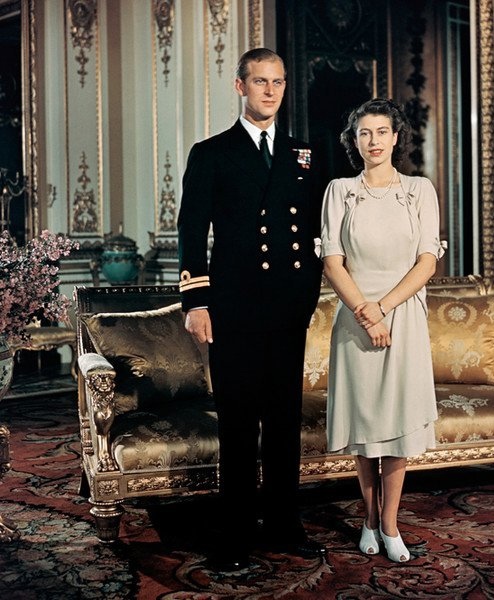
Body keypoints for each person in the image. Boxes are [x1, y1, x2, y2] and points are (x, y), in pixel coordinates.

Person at [177, 48, 325, 570]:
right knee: (239, 425)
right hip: (233, 310)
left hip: (288, 310)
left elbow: (314, 233)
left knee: (285, 422)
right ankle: (235, 533)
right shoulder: (212, 152)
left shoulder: (304, 154)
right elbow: (191, 231)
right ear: (240, 87)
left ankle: (285, 524)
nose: (270, 91)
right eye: (260, 81)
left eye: (278, 82)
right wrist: (196, 300)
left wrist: (309, 295)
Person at [320, 98, 444, 562]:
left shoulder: (419, 190)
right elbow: (332, 261)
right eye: (364, 133)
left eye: (381, 132)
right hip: (354, 318)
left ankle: (389, 525)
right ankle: (367, 519)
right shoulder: (339, 191)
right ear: (355, 141)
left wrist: (385, 309)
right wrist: (364, 312)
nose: (373, 141)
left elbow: (427, 260)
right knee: (366, 425)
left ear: (397, 137)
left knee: (396, 427)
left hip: (403, 316)